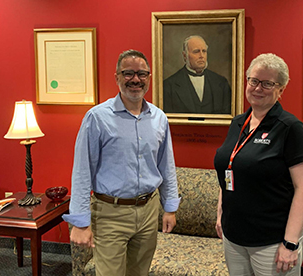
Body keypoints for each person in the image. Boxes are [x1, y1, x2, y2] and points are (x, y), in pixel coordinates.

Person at [62, 49, 180, 276]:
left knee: (140, 273)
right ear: (117, 77)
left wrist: (170, 208)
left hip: (148, 210)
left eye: (142, 74)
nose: (136, 79)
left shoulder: (159, 118)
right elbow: (82, 171)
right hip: (110, 214)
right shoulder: (97, 117)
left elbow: (167, 166)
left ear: (149, 78)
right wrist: (80, 221)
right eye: (128, 73)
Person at [214, 53, 303, 276]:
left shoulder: (290, 128)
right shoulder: (239, 122)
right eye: (254, 80)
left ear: (281, 89)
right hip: (234, 237)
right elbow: (229, 168)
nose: (258, 88)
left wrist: (290, 244)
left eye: (268, 83)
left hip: (272, 241)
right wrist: (221, 212)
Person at [163, 35, 232, 114]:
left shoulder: (221, 83)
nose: (201, 56)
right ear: (185, 56)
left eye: (204, 51)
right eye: (196, 51)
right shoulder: (169, 86)